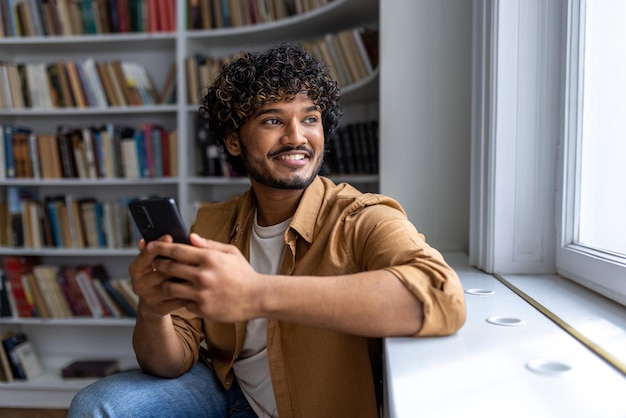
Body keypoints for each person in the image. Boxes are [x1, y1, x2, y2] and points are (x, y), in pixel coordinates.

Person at [68, 43, 466, 418]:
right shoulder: (213, 223)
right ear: (234, 141)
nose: (297, 137)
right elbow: (169, 362)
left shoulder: (361, 217)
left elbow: (441, 297)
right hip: (231, 393)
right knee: (99, 405)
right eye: (273, 120)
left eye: (310, 118)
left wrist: (256, 293)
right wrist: (153, 309)